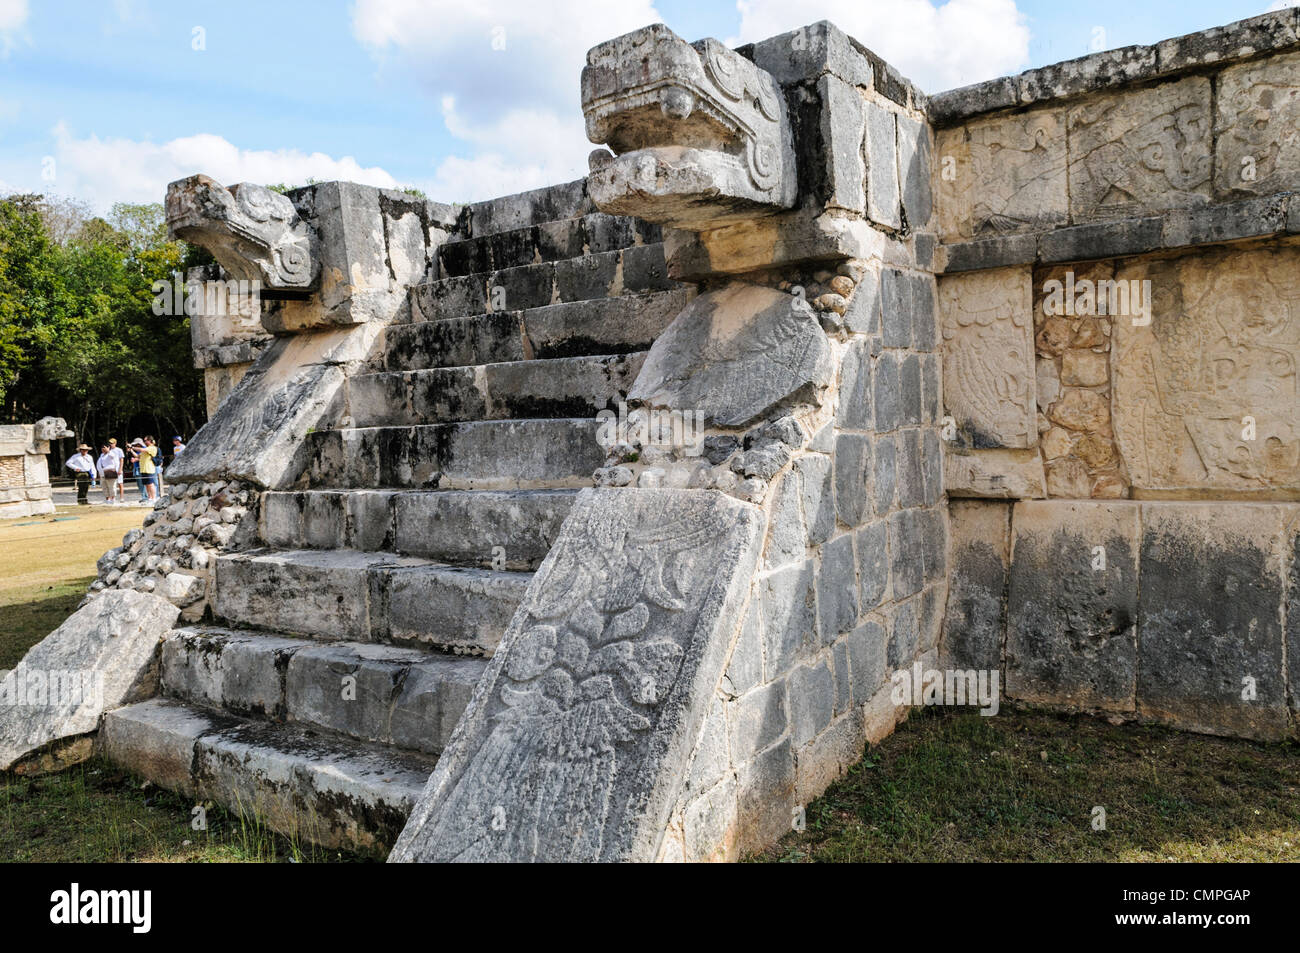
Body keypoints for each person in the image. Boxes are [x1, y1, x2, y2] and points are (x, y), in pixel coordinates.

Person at [137, 436, 160, 502]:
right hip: (143, 469)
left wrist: (132, 447)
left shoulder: (152, 448)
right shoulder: (146, 449)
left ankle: (154, 498)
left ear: (150, 440)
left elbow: (141, 450)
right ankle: (149, 498)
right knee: (147, 485)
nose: (144, 442)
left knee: (151, 484)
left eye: (145, 440)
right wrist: (131, 450)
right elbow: (138, 456)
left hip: (149, 469)